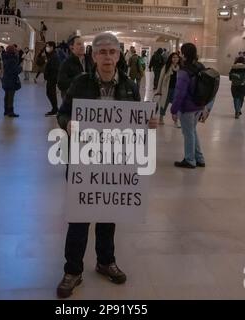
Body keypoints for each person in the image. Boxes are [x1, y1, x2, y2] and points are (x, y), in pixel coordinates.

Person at [56, 32, 157, 299]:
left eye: (112, 52)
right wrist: (67, 123)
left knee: (108, 214)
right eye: (102, 52)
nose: (108, 58)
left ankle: (105, 261)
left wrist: (146, 122)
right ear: (94, 56)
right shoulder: (80, 83)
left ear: (119, 55)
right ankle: (72, 269)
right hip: (83, 159)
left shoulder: (129, 86)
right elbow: (63, 112)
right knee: (79, 217)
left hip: (115, 160)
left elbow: (135, 119)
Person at [171, 43, 206, 169]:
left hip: (187, 107)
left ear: (184, 55)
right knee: (192, 131)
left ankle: (190, 159)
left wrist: (174, 110)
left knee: (188, 133)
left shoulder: (184, 71)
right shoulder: (200, 66)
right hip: (199, 105)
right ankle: (199, 158)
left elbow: (180, 93)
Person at [155, 52, 180, 125]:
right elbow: (161, 78)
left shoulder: (180, 68)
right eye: (173, 57)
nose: (175, 59)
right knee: (164, 104)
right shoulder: (166, 66)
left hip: (176, 89)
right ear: (171, 59)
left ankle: (176, 121)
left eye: (177, 57)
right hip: (166, 89)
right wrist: (159, 90)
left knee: (176, 105)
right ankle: (161, 118)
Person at [2, 45, 22, 117]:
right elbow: (14, 70)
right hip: (11, 80)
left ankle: (6, 111)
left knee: (6, 96)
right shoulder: (12, 59)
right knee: (10, 96)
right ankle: (10, 111)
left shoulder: (5, 58)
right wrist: (20, 68)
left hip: (6, 79)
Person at [44, 41, 60, 116]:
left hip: (52, 78)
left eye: (48, 46)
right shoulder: (51, 55)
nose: (47, 48)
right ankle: (54, 108)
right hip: (50, 77)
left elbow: (55, 68)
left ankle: (55, 109)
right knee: (49, 93)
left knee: (51, 93)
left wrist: (52, 77)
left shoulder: (54, 56)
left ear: (52, 47)